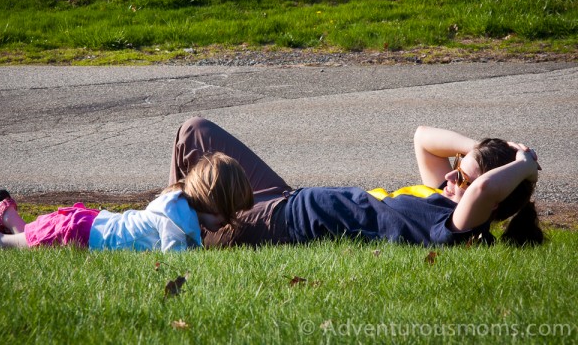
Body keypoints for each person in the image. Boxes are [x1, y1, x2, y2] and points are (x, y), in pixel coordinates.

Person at [170, 117, 543, 248]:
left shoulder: (457, 226)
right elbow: (422, 137)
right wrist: (475, 152)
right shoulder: (442, 197)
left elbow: (482, 190)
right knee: (194, 131)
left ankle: (165, 230)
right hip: (286, 198)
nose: (449, 174)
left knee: (202, 210)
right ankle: (171, 219)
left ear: (491, 204)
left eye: (460, 175)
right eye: (457, 166)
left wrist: (524, 167)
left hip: (280, 224)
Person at [0, 152, 254, 251]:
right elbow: (178, 268)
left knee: (28, 237)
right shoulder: (175, 224)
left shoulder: (177, 205)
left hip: (89, 224)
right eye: (227, 215)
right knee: (6, 245)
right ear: (211, 202)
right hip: (77, 234)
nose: (227, 224)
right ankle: (1, 220)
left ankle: (5, 215)